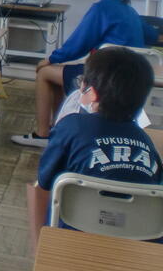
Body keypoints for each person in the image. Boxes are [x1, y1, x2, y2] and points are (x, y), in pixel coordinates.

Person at [13, 0, 158, 148]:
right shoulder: (128, 9)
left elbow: (79, 44)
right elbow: (151, 34)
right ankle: (58, 129)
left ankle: (43, 134)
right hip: (126, 78)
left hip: (105, 76)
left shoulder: (102, 8)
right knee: (58, 72)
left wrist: (49, 59)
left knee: (44, 72)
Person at [35, 47, 161, 232]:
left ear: (92, 93)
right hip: (140, 238)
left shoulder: (70, 126)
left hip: (73, 233)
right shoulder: (147, 142)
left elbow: (45, 181)